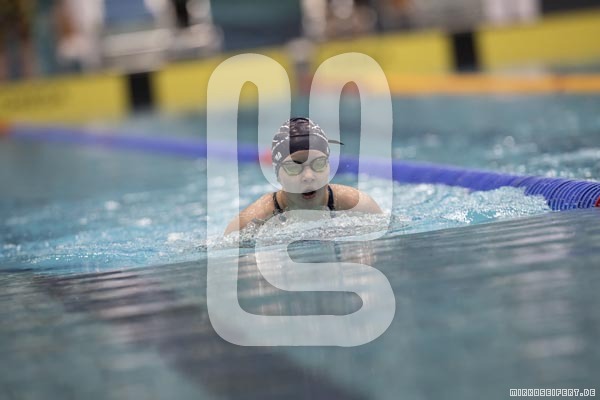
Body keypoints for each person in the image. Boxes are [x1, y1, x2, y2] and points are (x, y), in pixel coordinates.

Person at [224, 117, 382, 235]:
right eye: (294, 167)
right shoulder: (251, 222)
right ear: (277, 175)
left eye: (318, 164)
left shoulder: (359, 206)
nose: (308, 176)